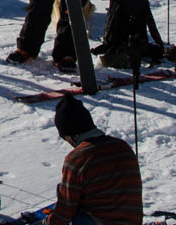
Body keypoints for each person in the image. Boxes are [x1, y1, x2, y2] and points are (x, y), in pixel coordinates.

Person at [46, 94, 142, 225]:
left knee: (66, 192)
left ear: (72, 136)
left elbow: (66, 209)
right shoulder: (122, 146)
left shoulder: (77, 158)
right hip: (133, 221)